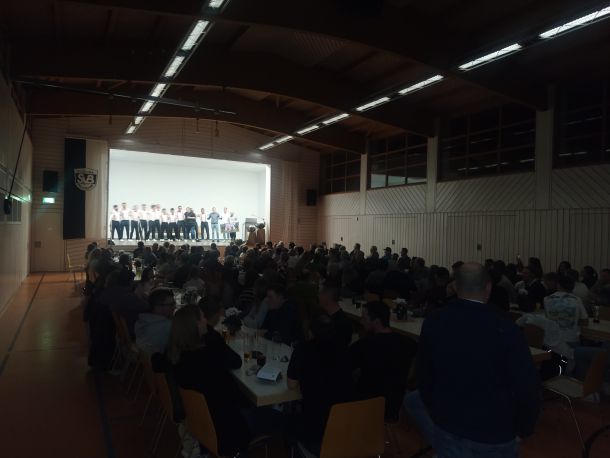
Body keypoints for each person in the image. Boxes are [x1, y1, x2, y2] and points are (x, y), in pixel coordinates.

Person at [412, 263, 540, 456]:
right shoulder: (506, 328)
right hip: (495, 431)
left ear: (455, 287)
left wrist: (436, 412)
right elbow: (527, 387)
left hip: (448, 423)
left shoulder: (434, 321)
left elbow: (424, 375)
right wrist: (524, 428)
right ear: (488, 287)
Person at [167, 305, 251, 456]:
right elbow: (235, 362)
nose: (206, 320)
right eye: (203, 317)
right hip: (228, 427)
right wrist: (211, 334)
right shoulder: (208, 356)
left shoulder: (178, 355)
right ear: (196, 325)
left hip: (199, 421)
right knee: (275, 417)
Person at [287, 315, 355, 455]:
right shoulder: (344, 350)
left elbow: (292, 384)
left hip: (315, 433)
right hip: (345, 429)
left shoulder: (303, 349)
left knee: (287, 422)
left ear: (310, 332)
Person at [349, 301, 417, 422]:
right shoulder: (408, 343)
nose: (361, 322)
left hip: (367, 405)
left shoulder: (364, 345)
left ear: (376, 322)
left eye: (364, 318)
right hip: (394, 404)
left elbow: (344, 366)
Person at [544, 275, 589, 348]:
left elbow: (548, 319)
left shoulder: (547, 299)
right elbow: (585, 322)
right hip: (571, 340)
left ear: (558, 285)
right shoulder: (577, 300)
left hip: (551, 341)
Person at [134, 288, 175, 355]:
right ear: (158, 307)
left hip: (144, 358)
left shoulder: (143, 319)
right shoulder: (167, 326)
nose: (174, 307)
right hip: (157, 360)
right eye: (171, 304)